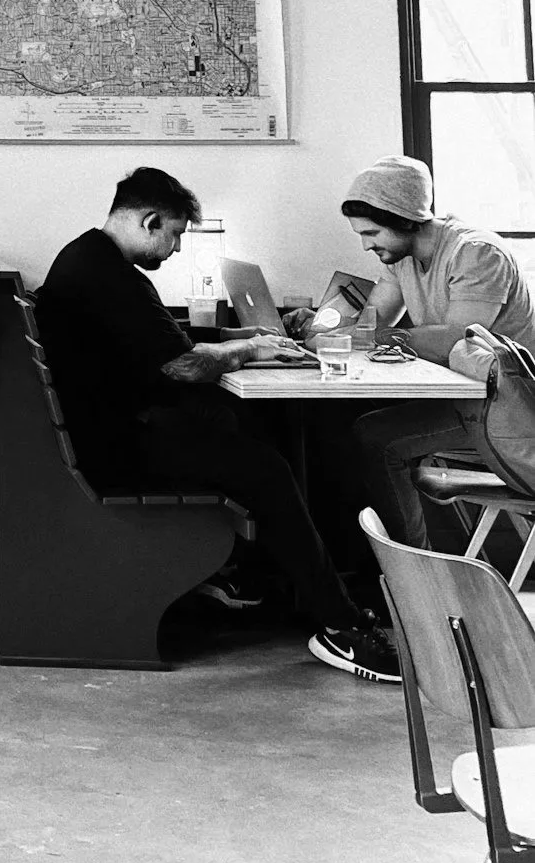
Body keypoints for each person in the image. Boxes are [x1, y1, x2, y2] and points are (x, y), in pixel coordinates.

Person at [36, 166, 399, 682]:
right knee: (266, 467)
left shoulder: (88, 259)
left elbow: (160, 345)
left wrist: (241, 338)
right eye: (176, 235)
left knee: (249, 433)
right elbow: (181, 365)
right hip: (116, 445)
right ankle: (338, 625)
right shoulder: (112, 277)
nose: (176, 249)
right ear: (151, 220)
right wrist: (249, 349)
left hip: (105, 428)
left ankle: (275, 584)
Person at [331, 156, 535, 551]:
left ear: (405, 218)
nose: (366, 244)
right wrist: (326, 329)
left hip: (511, 408)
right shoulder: (399, 256)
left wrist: (366, 338)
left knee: (377, 437)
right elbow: (373, 325)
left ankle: (410, 567)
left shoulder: (476, 253)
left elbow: (458, 339)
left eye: (372, 232)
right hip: (470, 399)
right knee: (355, 427)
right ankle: (396, 565)